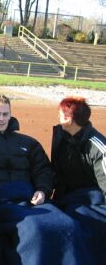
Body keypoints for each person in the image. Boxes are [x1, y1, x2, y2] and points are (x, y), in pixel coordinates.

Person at [0, 94, 91, 265]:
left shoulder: (29, 143)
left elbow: (43, 170)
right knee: (35, 229)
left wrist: (42, 190)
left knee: (69, 225)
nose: (1, 119)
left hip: (28, 199)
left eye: (5, 114)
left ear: (10, 114)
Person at [51, 96, 106, 265]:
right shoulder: (61, 135)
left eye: (60, 114)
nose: (58, 116)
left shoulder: (98, 148)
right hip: (65, 197)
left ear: (69, 119)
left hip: (90, 200)